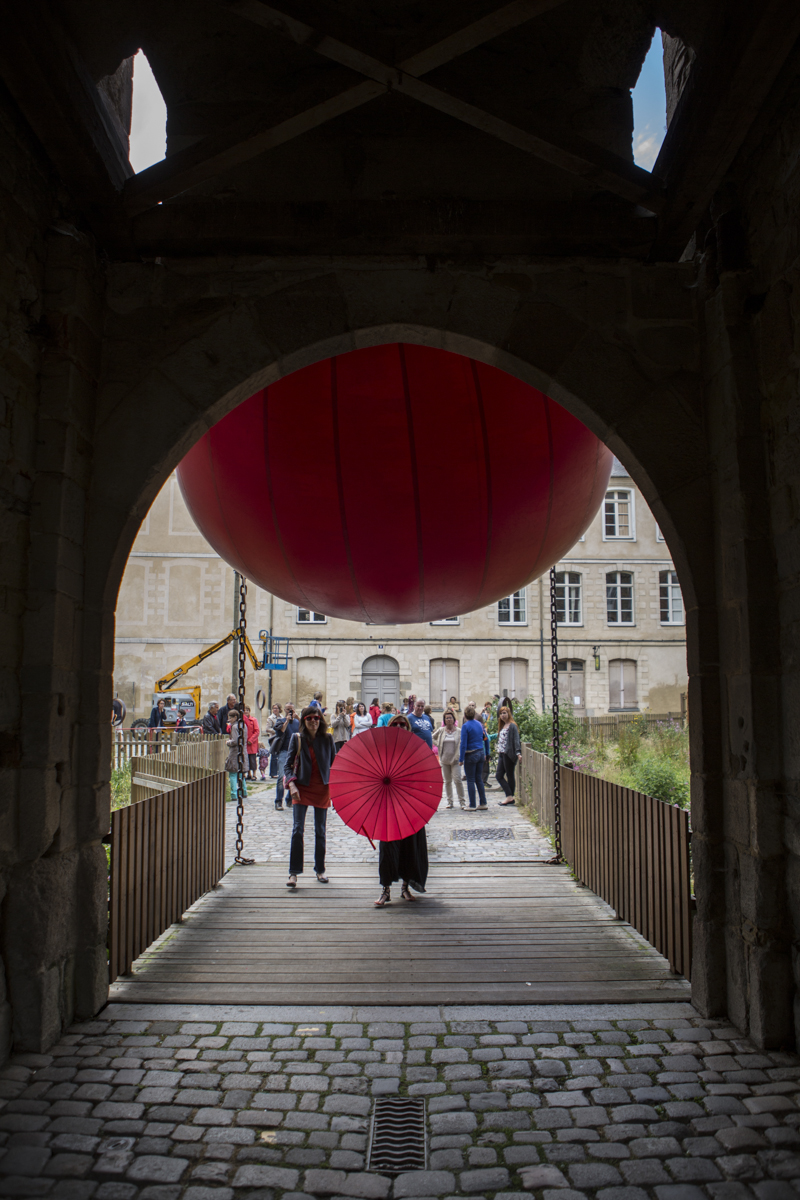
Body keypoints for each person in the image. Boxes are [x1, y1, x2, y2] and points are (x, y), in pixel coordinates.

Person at [374, 714, 429, 907]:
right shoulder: (383, 750)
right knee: (387, 848)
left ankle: (405, 887)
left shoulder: (415, 749)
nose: (399, 727)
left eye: (402, 724)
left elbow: (423, 777)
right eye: (395, 724)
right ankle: (386, 889)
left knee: (409, 846)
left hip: (410, 805)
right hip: (389, 804)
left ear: (408, 728)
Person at [285, 706, 334, 887]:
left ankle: (320, 870)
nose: (313, 721)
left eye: (316, 718)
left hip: (322, 788)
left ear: (321, 720)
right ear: (304, 721)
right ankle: (293, 873)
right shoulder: (297, 738)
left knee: (320, 831)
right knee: (298, 829)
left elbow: (334, 764)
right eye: (309, 718)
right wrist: (291, 784)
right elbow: (287, 766)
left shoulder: (328, 739)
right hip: (301, 788)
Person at [460, 703, 489, 809]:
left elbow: (463, 744)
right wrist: (487, 753)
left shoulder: (465, 726)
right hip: (480, 753)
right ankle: (483, 803)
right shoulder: (480, 724)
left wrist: (461, 759)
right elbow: (486, 739)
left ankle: (472, 804)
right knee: (479, 779)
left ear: (465, 715)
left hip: (470, 754)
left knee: (470, 780)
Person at [433, 711, 465, 809]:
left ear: (454, 719)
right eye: (447, 718)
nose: (449, 720)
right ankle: (450, 801)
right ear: (444, 720)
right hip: (444, 759)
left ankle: (462, 801)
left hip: (455, 759)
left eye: (450, 717)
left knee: (457, 780)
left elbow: (463, 742)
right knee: (447, 781)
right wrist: (438, 744)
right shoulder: (441, 730)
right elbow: (432, 737)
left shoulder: (459, 731)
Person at [272, 704, 299, 811]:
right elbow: (280, 731)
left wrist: (298, 718)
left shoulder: (297, 722)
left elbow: (304, 729)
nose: (290, 712)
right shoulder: (281, 721)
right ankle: (278, 801)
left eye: (291, 710)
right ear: (284, 710)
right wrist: (287, 721)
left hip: (295, 752)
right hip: (284, 751)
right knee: (281, 776)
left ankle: (289, 799)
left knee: (294, 776)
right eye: (288, 709)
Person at [495, 705, 522, 805]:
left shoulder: (512, 726)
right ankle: (510, 796)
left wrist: (518, 753)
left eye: (504, 713)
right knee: (499, 775)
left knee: (509, 775)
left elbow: (516, 739)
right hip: (502, 753)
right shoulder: (502, 725)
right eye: (501, 714)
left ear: (508, 714)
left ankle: (509, 797)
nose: (502, 715)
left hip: (509, 753)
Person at [225, 706, 248, 801]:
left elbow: (235, 741)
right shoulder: (243, 725)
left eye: (230, 718)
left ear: (235, 717)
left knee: (233, 774)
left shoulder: (235, 727)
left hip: (235, 752)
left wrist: (228, 742)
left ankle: (234, 794)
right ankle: (244, 792)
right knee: (241, 774)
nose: (229, 720)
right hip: (243, 751)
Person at [263, 703, 283, 776]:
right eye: (274, 708)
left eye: (276, 708)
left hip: (281, 738)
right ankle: (273, 773)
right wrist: (277, 731)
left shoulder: (282, 717)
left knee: (280, 755)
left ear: (279, 709)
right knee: (274, 755)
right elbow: (267, 729)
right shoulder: (270, 718)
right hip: (274, 738)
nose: (275, 710)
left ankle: (279, 771)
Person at [243, 705, 260, 780]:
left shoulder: (253, 720)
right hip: (245, 742)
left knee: (252, 759)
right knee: (246, 759)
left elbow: (257, 731)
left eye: (247, 710)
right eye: (244, 710)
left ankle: (254, 774)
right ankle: (248, 774)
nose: (246, 711)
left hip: (252, 743)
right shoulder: (242, 720)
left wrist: (251, 740)